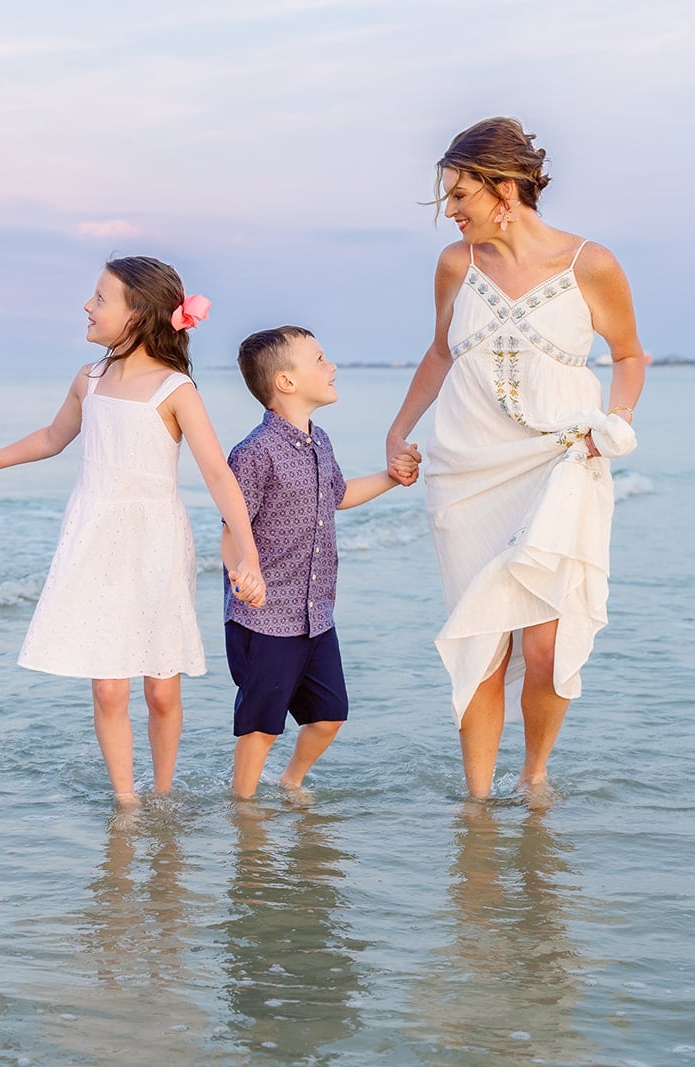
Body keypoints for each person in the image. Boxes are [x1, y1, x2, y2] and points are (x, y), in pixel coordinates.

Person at [384, 117, 645, 806]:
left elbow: (628, 356)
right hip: (466, 471)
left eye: (459, 193)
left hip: (561, 465)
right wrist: (398, 430)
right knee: (482, 641)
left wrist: (613, 425)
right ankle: (476, 804)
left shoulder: (591, 263)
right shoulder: (454, 265)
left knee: (545, 647)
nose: (451, 210)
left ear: (504, 189)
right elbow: (441, 352)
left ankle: (532, 774)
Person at [0, 256, 265, 807]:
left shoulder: (174, 388)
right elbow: (49, 439)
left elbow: (216, 473)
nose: (88, 307)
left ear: (137, 314)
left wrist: (247, 556)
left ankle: (161, 792)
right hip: (93, 537)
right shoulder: (88, 379)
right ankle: (127, 802)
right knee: (109, 686)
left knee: (161, 689)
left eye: (100, 298)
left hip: (155, 542)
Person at [222, 326, 419, 800]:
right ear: (286, 382)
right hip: (265, 617)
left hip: (314, 614)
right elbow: (231, 527)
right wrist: (242, 574)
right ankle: (243, 804)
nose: (331, 367)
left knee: (329, 715)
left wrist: (393, 478)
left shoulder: (320, 441)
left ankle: (289, 782)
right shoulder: (253, 454)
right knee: (262, 726)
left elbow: (339, 495)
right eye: (320, 359)